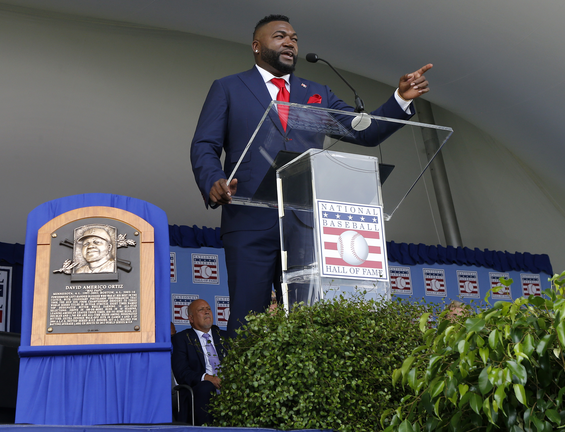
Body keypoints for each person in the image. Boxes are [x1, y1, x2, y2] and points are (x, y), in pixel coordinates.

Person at [190, 14, 433, 336]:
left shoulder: (317, 92)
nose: (290, 42)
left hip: (305, 223)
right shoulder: (229, 88)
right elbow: (204, 144)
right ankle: (242, 387)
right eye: (280, 36)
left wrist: (400, 99)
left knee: (310, 321)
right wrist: (213, 182)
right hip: (248, 219)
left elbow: (364, 132)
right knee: (248, 320)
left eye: (294, 38)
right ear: (256, 46)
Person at [171, 299, 227, 425]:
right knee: (206, 386)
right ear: (191, 318)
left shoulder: (224, 336)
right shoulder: (182, 339)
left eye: (208, 309)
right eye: (201, 310)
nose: (207, 312)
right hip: (199, 390)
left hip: (227, 385)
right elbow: (182, 373)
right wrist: (207, 378)